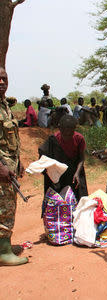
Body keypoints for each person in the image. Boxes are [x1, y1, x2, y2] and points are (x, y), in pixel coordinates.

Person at [0, 67, 28, 266]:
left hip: (9, 165)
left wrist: (19, 161)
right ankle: (3, 252)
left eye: (4, 78)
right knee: (4, 209)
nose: (2, 82)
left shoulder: (5, 105)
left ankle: (5, 245)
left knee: (7, 206)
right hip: (1, 168)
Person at [38, 115, 88, 202]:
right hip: (59, 175)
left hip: (74, 173)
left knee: (79, 199)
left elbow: (81, 158)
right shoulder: (53, 140)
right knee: (59, 201)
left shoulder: (79, 139)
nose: (67, 136)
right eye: (65, 133)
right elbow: (43, 155)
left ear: (74, 129)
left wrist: (77, 173)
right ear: (60, 128)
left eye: (70, 133)